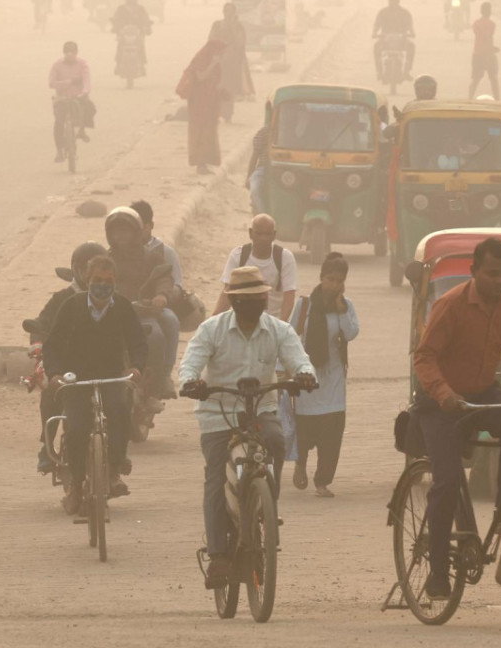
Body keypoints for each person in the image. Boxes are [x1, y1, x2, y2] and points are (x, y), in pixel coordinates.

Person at [413, 237, 501, 600]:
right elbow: (424, 357)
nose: (500, 281)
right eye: (492, 274)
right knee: (447, 482)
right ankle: (438, 573)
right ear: (474, 271)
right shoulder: (451, 304)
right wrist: (444, 394)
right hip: (441, 402)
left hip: (483, 392)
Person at [179, 265, 317, 588]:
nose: (255, 305)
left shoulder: (279, 330)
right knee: (215, 477)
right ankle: (218, 557)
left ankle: (265, 506)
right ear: (233, 301)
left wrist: (305, 374)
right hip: (217, 414)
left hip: (261, 409)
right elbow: (190, 364)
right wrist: (191, 382)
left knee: (277, 441)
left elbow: (299, 358)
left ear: (267, 297)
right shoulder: (211, 330)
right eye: (247, 300)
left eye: (260, 298)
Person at [43, 255, 147, 512]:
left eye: (108, 281)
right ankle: (76, 485)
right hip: (75, 378)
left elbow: (138, 342)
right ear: (87, 280)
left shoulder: (122, 306)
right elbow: (53, 345)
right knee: (76, 427)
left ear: (115, 282)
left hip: (111, 375)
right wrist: (55, 374)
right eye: (97, 280)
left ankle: (114, 467)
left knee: (120, 410)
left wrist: (136, 367)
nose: (102, 285)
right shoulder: (71, 306)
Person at [289, 253, 359, 498]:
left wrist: (341, 311)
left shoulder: (346, 305)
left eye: (340, 281)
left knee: (331, 432)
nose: (335, 285)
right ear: (321, 278)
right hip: (307, 377)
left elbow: (351, 334)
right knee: (305, 430)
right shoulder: (305, 304)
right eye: (331, 279)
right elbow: (291, 336)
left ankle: (322, 481)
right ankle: (300, 464)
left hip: (333, 378)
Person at [34, 241, 106, 474]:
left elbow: (129, 329)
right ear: (75, 269)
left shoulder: (113, 298)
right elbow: (41, 325)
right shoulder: (61, 299)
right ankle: (47, 447)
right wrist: (37, 344)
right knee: (50, 392)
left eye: (95, 267)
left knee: (121, 402)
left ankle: (116, 461)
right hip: (66, 366)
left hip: (104, 364)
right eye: (84, 267)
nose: (89, 273)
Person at [105, 207, 175, 399]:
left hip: (144, 312)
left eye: (125, 231)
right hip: (113, 314)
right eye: (116, 231)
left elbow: (164, 277)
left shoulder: (151, 256)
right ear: (109, 234)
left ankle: (156, 386)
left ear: (136, 232)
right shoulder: (105, 259)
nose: (121, 236)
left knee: (157, 338)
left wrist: (161, 295)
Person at [132, 200, 182, 399]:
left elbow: (175, 283)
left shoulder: (164, 252)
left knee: (170, 320)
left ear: (149, 226)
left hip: (154, 306)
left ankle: (164, 374)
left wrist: (162, 297)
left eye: (139, 227)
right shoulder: (119, 251)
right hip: (126, 305)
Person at [214, 214, 298, 322]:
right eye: (258, 233)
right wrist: (214, 320)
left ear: (274, 235)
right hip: (241, 320)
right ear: (250, 233)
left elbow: (289, 295)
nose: (263, 238)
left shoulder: (284, 257)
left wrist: (281, 326)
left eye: (267, 234)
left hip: (272, 321)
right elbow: (228, 292)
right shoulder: (238, 255)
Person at [178, 40, 225, 175]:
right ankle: (200, 164)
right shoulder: (202, 60)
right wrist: (213, 63)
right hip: (199, 103)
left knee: (209, 131)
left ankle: (205, 163)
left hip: (209, 102)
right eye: (220, 52)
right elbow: (201, 76)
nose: (221, 55)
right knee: (200, 131)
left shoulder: (214, 61)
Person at [49, 42, 97, 164]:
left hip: (78, 97)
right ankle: (59, 150)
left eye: (72, 52)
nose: (70, 55)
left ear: (76, 53)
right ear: (64, 53)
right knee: (59, 122)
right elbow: (51, 83)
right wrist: (66, 82)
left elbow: (86, 79)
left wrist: (85, 91)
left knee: (91, 109)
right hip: (62, 98)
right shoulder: (57, 65)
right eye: (67, 52)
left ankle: (81, 130)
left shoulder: (82, 64)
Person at [209, 3, 254, 123]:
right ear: (223, 12)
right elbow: (211, 41)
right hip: (218, 63)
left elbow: (240, 43)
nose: (228, 13)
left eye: (230, 11)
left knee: (229, 89)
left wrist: (233, 26)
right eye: (226, 11)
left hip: (232, 64)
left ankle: (227, 115)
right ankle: (217, 113)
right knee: (217, 87)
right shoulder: (217, 25)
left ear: (234, 13)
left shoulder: (238, 27)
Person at [372, 0, 416, 81]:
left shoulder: (405, 13)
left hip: (402, 40)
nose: (393, 2)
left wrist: (412, 33)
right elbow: (376, 25)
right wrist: (374, 33)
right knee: (376, 47)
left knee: (411, 47)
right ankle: (379, 71)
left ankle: (407, 71)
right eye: (391, 1)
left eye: (395, 1)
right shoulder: (383, 12)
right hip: (385, 40)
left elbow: (410, 26)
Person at [112, 0, 152, 77]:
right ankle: (118, 63)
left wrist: (148, 27)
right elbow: (115, 19)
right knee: (120, 47)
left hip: (138, 35)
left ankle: (142, 64)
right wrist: (115, 27)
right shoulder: (121, 9)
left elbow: (146, 19)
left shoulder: (140, 9)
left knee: (141, 47)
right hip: (124, 34)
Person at [468, 2, 500, 99]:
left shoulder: (476, 23)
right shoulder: (492, 24)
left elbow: (480, 37)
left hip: (478, 53)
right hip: (489, 55)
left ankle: (469, 98)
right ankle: (497, 99)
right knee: (493, 79)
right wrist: (492, 48)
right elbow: (488, 38)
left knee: (475, 79)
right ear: (490, 12)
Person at [245, 115, 270, 214]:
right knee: (255, 189)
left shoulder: (291, 131)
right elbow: (254, 156)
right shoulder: (264, 132)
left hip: (286, 169)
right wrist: (249, 177)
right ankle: (263, 214)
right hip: (264, 168)